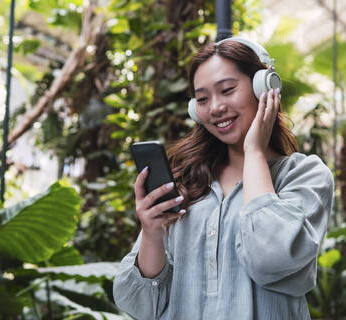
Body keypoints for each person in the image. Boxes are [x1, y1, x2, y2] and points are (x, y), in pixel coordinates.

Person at [113, 37, 334, 320]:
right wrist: (152, 233)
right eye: (202, 99)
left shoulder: (304, 176)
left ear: (264, 86)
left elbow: (271, 260)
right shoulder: (186, 183)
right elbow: (141, 305)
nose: (215, 107)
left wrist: (253, 152)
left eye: (227, 90)